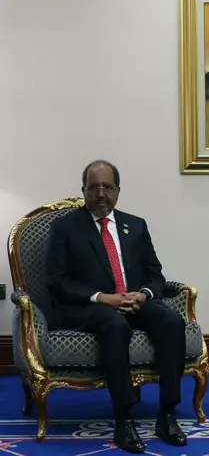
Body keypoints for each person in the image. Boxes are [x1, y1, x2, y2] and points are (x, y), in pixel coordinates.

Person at [46, 160, 187, 453]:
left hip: (132, 301)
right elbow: (57, 281)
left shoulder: (135, 225)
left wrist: (143, 295)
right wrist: (101, 297)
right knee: (114, 324)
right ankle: (124, 419)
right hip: (89, 307)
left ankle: (167, 414)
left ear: (118, 191)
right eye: (94, 187)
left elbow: (155, 274)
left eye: (107, 187)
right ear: (83, 190)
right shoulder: (65, 227)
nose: (101, 194)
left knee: (171, 321)